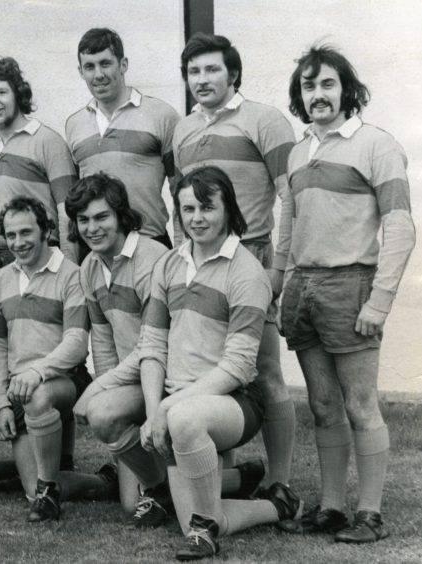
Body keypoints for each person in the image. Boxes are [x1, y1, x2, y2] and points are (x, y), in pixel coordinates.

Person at [276, 45, 415, 543]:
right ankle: (331, 508)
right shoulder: (297, 152)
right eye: (309, 86)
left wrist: (379, 302)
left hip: (351, 285)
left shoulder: (376, 145)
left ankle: (370, 515)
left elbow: (400, 228)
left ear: (346, 90)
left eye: (328, 84)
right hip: (303, 287)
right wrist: (280, 284)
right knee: (322, 407)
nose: (319, 94)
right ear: (300, 95)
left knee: (360, 404)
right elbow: (287, 227)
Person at [137, 166, 302, 560]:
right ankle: (273, 504)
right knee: (194, 519)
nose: (197, 218)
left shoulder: (246, 272)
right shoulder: (168, 264)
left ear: (228, 208)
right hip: (177, 406)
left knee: (185, 419)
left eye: (207, 207)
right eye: (188, 209)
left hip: (235, 403)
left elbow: (240, 367)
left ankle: (215, 514)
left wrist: (166, 407)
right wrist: (151, 413)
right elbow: (153, 345)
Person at [173, 33, 297, 489]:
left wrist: (278, 269)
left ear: (234, 74)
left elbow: (292, 198)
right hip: (200, 264)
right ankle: (227, 477)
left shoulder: (265, 120)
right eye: (193, 72)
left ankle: (279, 482)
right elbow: (181, 203)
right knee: (209, 370)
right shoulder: (183, 128)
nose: (201, 79)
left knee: (264, 374)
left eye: (211, 70)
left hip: (252, 261)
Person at [0, 196, 111, 523]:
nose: (18, 242)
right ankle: (97, 482)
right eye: (10, 235)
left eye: (26, 233)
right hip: (19, 389)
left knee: (39, 395)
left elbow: (76, 343)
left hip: (63, 381)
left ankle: (58, 484)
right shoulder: (1, 278)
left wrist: (37, 372)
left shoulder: (71, 274)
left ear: (47, 231)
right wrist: (2, 402)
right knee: (32, 490)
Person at [66, 173, 170, 522]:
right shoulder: (89, 267)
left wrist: (98, 389)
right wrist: (107, 382)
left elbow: (155, 345)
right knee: (129, 504)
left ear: (121, 216)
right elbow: (103, 340)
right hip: (132, 380)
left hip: (167, 378)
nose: (92, 228)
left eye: (101, 217)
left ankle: (169, 487)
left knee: (102, 411)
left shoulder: (154, 258)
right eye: (83, 220)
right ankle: (184, 484)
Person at [66, 28, 180, 249]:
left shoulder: (161, 115)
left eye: (105, 63)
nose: (98, 74)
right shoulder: (74, 124)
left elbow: (181, 191)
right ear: (81, 71)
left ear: (123, 64)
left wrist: (182, 248)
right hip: (97, 248)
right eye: (89, 67)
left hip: (149, 243)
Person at [0, 57, 78, 267]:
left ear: (18, 95)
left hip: (40, 257)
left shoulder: (48, 140)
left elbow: (68, 212)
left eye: (1, 92)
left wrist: (69, 269)